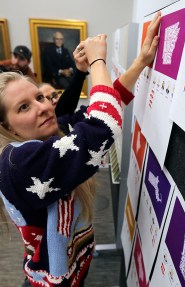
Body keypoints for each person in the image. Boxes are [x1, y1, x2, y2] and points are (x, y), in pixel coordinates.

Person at [0, 11, 161, 287]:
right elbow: (103, 125)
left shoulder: (45, 136)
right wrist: (99, 60)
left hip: (71, 267)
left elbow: (100, 109)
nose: (43, 107)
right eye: (24, 107)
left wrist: (140, 63)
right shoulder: (20, 162)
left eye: (40, 97)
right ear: (9, 127)